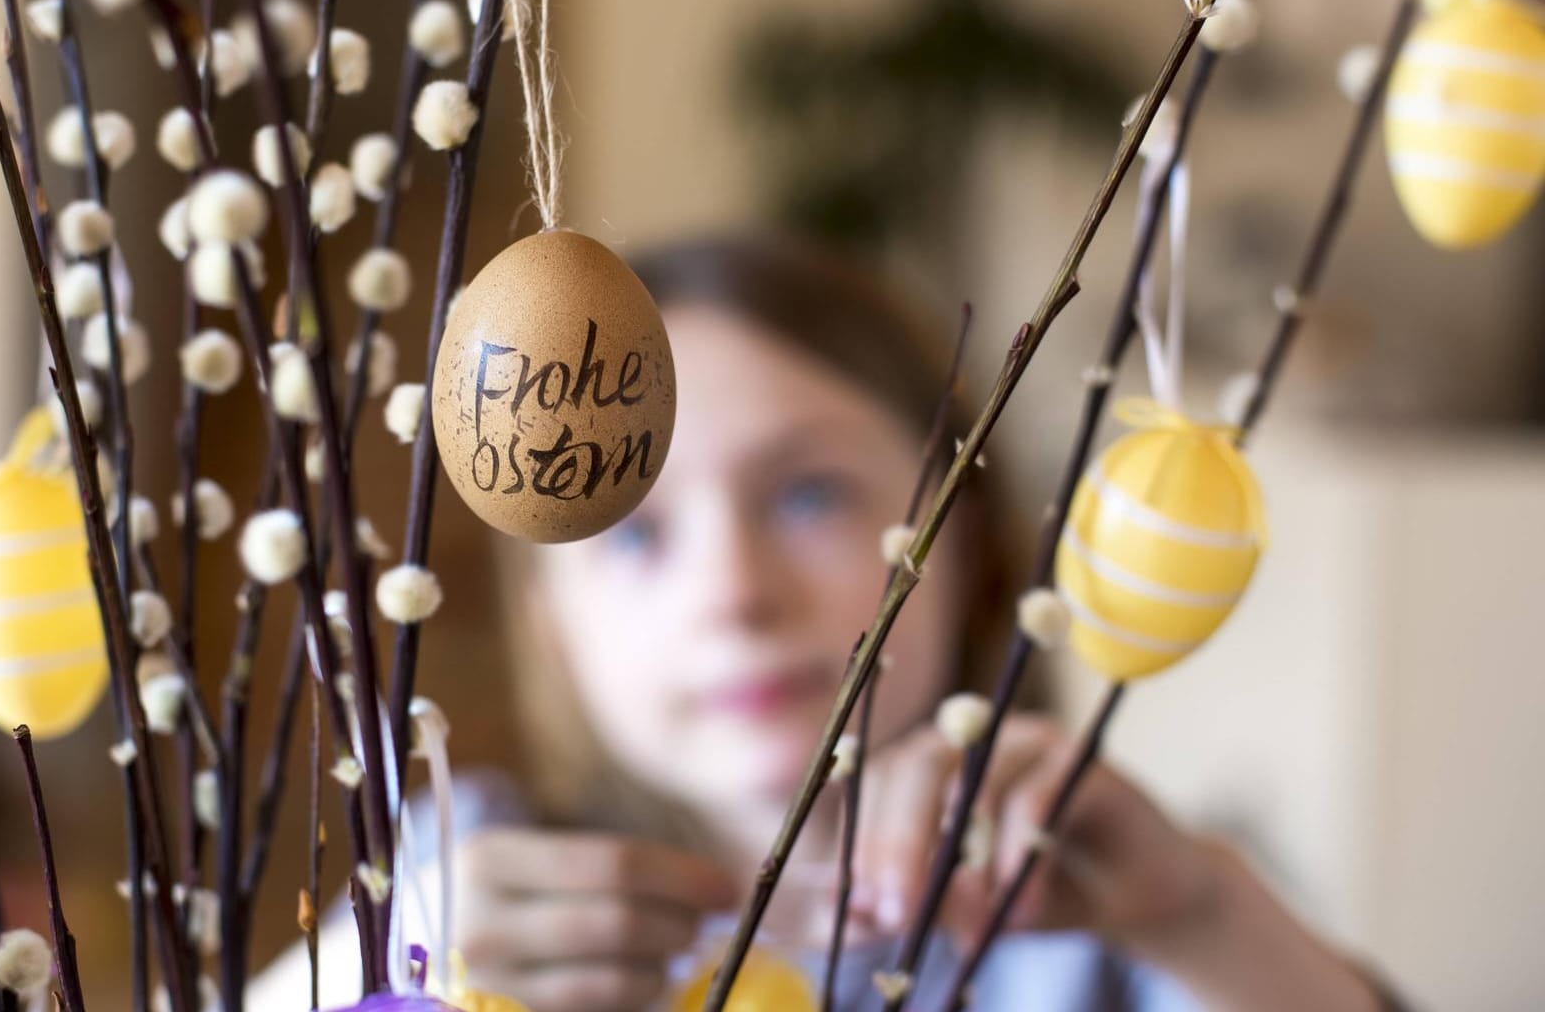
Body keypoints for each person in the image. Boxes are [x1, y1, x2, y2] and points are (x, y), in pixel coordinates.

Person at [251, 235, 1396, 1011]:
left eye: (808, 496)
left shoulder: (1096, 932)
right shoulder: (472, 894)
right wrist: (386, 965)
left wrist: (1204, 913)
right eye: (637, 536)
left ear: (967, 537)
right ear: (551, 623)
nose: (733, 592)